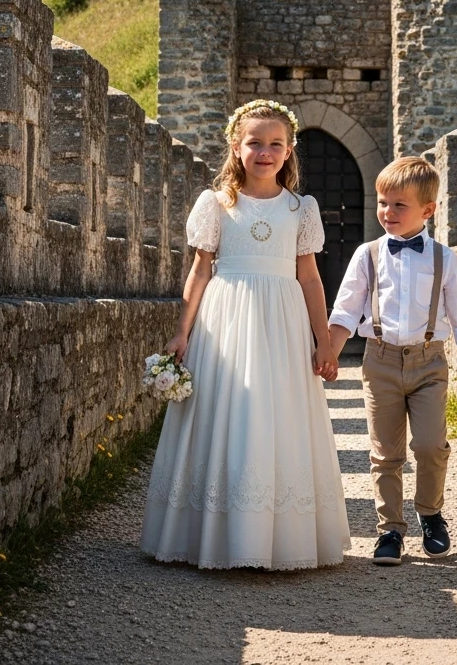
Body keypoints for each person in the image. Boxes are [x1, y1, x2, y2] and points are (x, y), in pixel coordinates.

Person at [140, 99, 350, 571]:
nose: (265, 152)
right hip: (226, 318)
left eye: (276, 143)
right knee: (225, 412)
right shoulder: (216, 204)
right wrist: (181, 332)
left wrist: (323, 339)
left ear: (290, 149)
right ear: (236, 147)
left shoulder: (301, 208)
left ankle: (277, 537)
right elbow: (199, 271)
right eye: (255, 142)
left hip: (282, 320)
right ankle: (214, 536)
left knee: (278, 416)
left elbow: (311, 278)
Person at [328, 155, 457, 566]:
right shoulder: (367, 254)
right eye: (383, 203)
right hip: (380, 362)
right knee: (385, 453)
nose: (387, 212)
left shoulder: (443, 259)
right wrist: (328, 351)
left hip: (429, 363)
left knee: (431, 445)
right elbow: (345, 311)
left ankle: (430, 513)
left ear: (427, 210)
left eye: (399, 205)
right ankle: (390, 531)